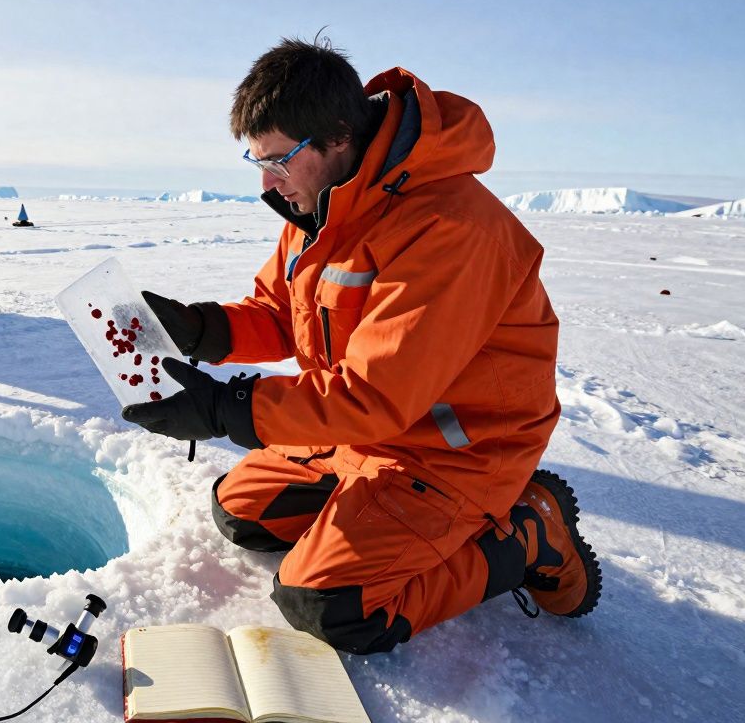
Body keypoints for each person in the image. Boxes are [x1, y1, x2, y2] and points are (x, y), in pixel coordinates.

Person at [121, 37, 602, 654]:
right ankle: (374, 517)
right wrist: (201, 329)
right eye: (256, 161)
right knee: (241, 511)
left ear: (339, 136)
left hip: (456, 449)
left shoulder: (450, 227)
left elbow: (375, 392)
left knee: (328, 605)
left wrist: (224, 410)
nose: (268, 181)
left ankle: (529, 533)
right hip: (363, 432)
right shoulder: (324, 207)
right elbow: (280, 312)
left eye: (280, 159)